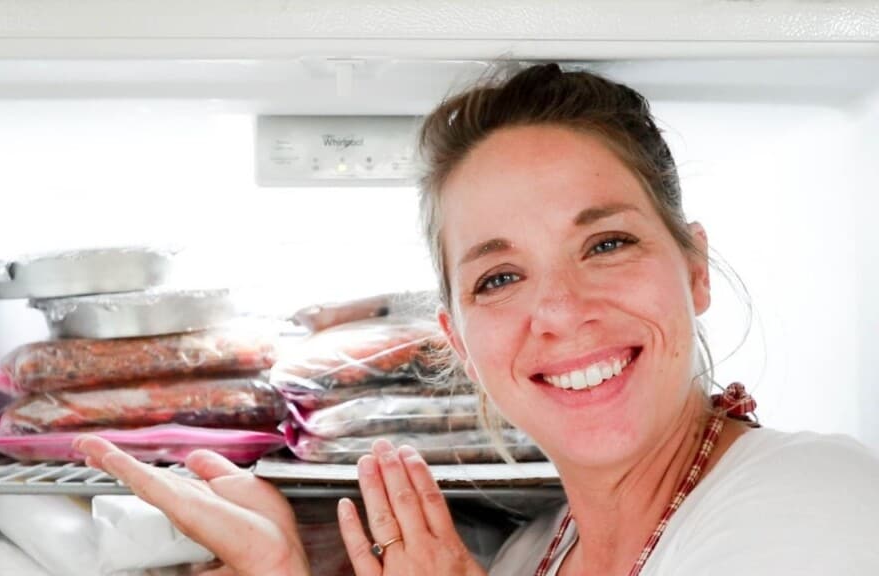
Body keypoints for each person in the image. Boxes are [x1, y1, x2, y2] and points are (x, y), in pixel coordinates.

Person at [75, 63, 879, 575]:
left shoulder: (816, 502)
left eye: (605, 242)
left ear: (694, 268)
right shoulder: (536, 552)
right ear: (457, 339)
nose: (560, 311)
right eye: (498, 276)